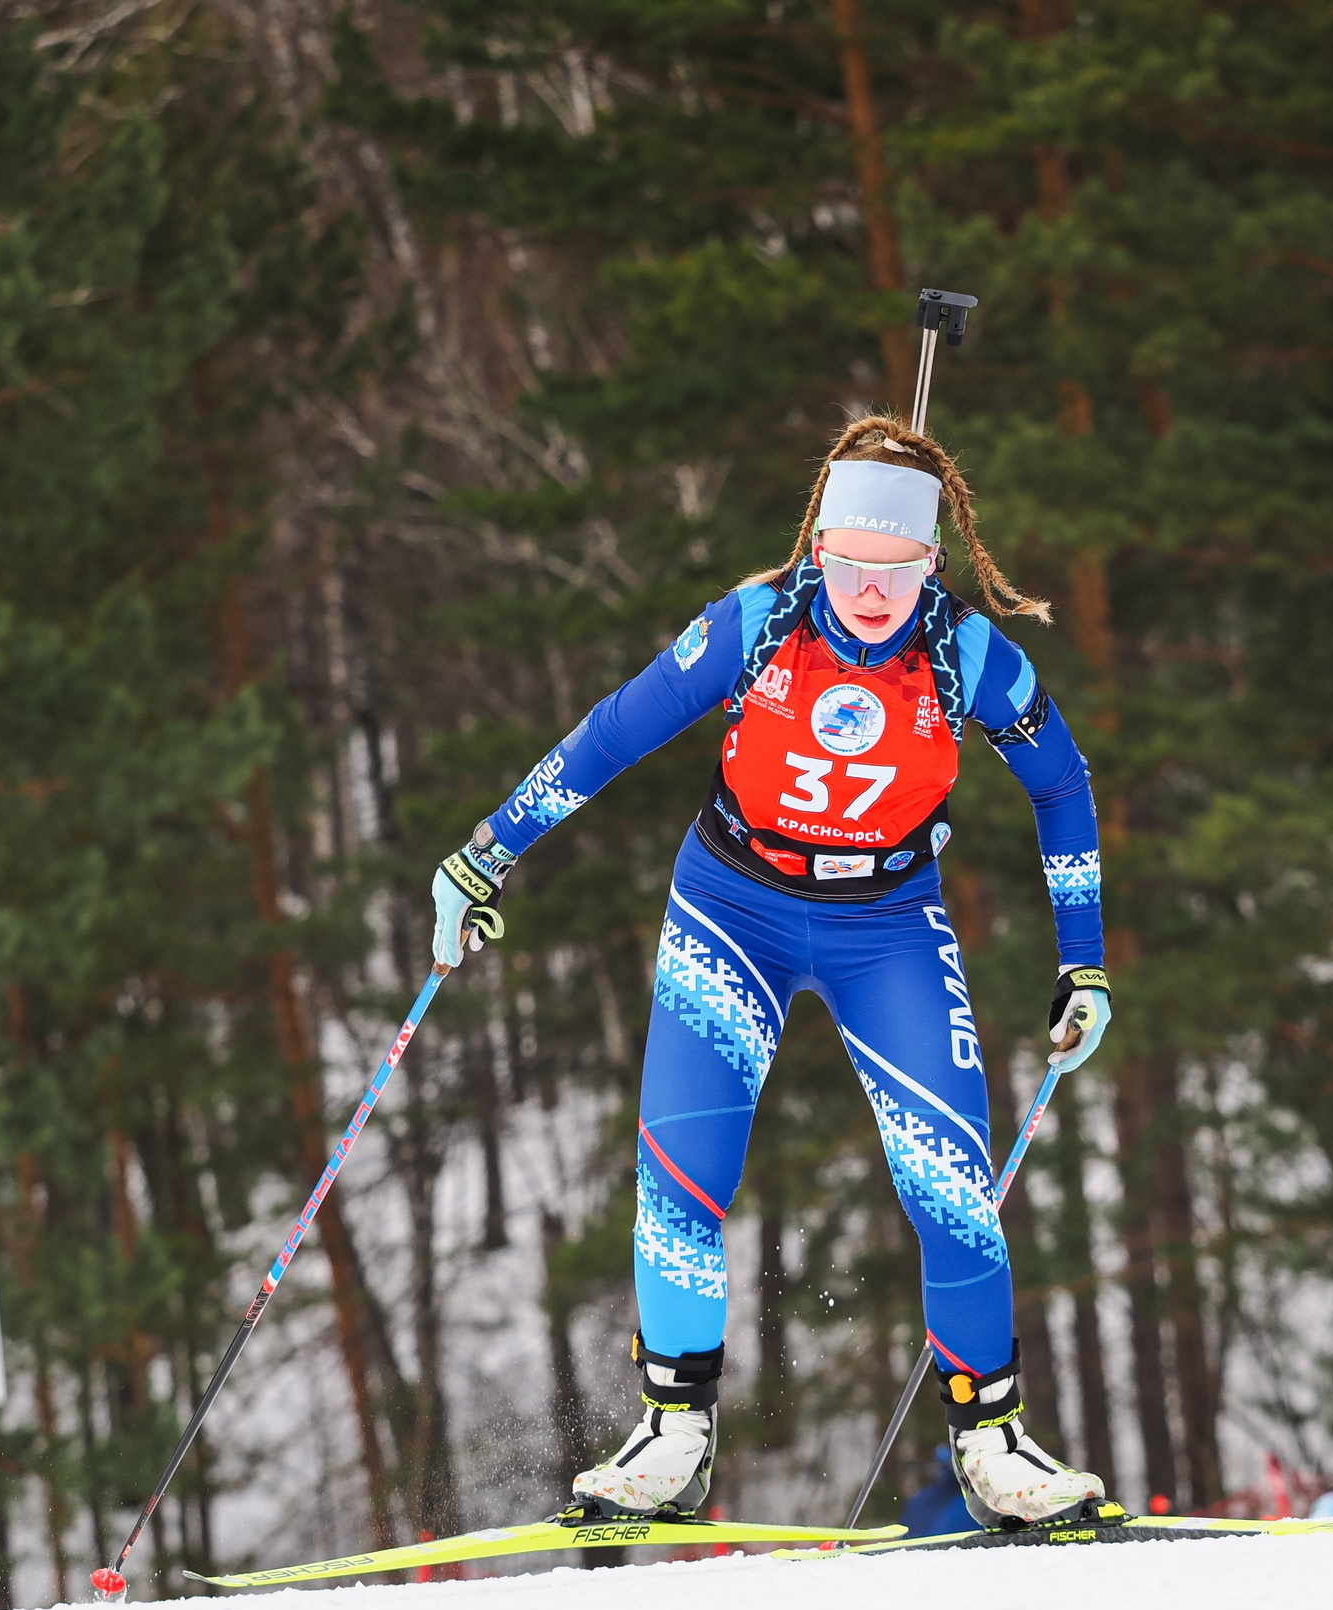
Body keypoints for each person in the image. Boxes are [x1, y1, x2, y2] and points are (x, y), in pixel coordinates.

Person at [428, 416, 1112, 1524]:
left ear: (932, 565)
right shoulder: (757, 627)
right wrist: (486, 852)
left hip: (885, 919)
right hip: (733, 905)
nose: (872, 594)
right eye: (849, 566)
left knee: (951, 1188)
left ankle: (992, 1444)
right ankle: (673, 1437)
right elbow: (610, 735)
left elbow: (1062, 785)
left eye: (898, 571)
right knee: (681, 1173)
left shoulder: (969, 654)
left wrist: (1082, 963)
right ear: (818, 549)